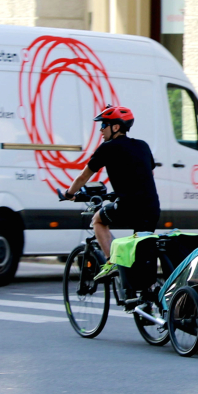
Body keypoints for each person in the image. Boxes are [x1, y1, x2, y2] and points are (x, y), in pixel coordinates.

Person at [65, 105, 160, 284]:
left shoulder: (108, 148)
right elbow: (149, 174)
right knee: (140, 251)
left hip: (128, 207)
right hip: (151, 208)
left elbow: (84, 176)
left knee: (97, 220)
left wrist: (69, 193)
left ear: (116, 127)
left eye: (104, 125)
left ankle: (112, 262)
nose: (101, 130)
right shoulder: (143, 146)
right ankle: (142, 297)